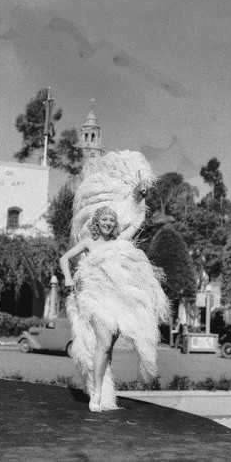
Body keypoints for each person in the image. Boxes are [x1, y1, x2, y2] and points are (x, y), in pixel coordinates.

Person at [60, 150, 171, 412]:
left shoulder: (120, 242)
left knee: (107, 350)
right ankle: (96, 394)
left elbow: (138, 222)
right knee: (105, 343)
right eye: (105, 220)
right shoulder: (88, 242)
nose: (109, 223)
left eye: (112, 220)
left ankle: (102, 392)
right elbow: (65, 258)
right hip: (94, 299)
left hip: (115, 300)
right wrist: (67, 278)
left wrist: (140, 197)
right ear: (97, 222)